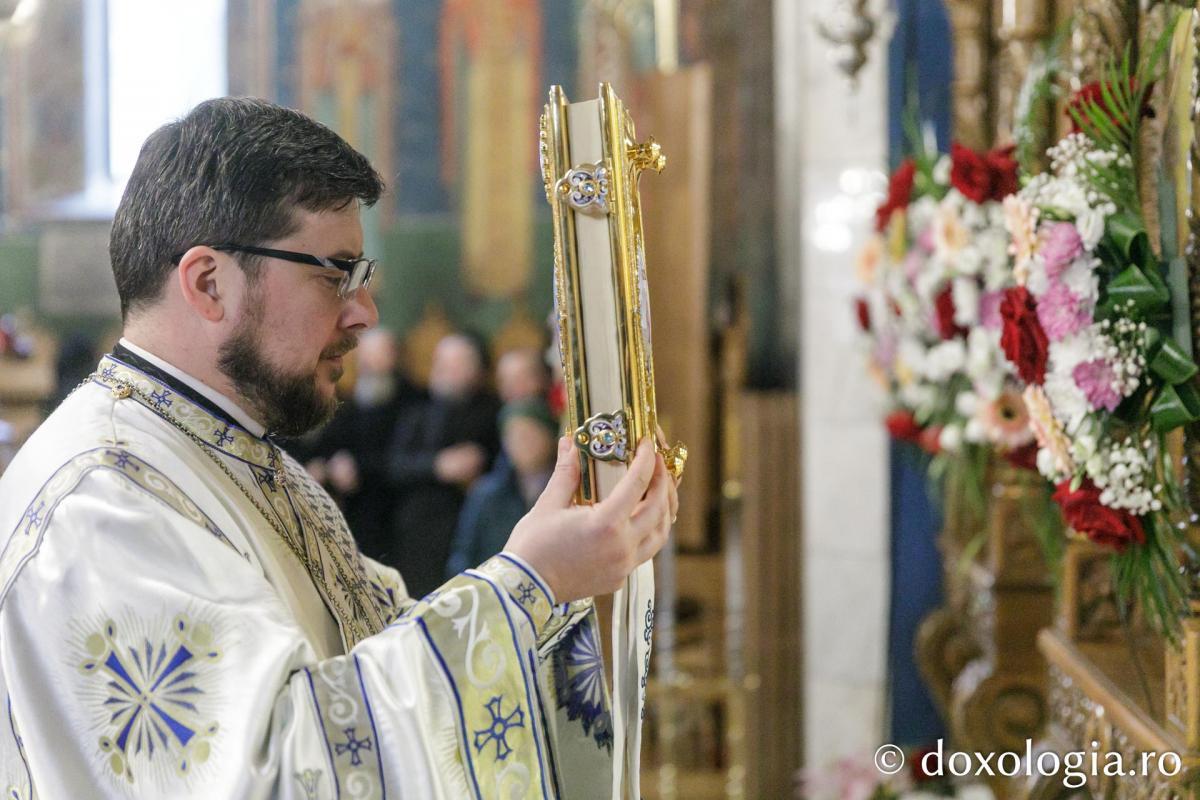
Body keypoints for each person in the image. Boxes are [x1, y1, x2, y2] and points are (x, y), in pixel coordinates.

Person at [0, 97, 677, 799]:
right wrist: (528, 585)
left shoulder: (244, 461)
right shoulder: (102, 502)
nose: (365, 313)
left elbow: (379, 651)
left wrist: (557, 576)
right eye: (334, 275)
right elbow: (272, 776)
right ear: (208, 283)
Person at [386, 332, 501, 594]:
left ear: (476, 370)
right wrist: (437, 466)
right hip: (419, 535)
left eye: (454, 363)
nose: (442, 370)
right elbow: (395, 465)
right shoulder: (417, 411)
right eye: (440, 362)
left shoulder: (492, 412)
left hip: (470, 531)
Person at [296, 327, 416, 563]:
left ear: (394, 357)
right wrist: (328, 465)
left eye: (377, 355)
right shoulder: (348, 402)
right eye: (365, 356)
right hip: (353, 505)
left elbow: (401, 458)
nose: (369, 363)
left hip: (394, 506)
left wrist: (357, 466)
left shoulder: (411, 403)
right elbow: (332, 444)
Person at [447, 398, 559, 577]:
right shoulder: (485, 494)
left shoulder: (564, 491)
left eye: (530, 434)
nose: (523, 444)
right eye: (514, 437)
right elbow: (463, 556)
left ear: (550, 436)